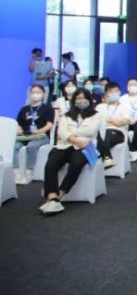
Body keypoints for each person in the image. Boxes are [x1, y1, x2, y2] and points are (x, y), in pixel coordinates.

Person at [40, 88, 100, 216]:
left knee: (76, 164)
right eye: (78, 98)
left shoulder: (96, 115)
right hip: (65, 145)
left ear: (89, 100)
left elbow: (90, 131)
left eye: (84, 98)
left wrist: (70, 133)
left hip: (85, 147)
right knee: (51, 164)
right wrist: (75, 138)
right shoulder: (67, 115)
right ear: (74, 100)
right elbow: (61, 131)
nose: (81, 100)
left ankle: (61, 194)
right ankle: (52, 197)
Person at [14, 85, 54, 184]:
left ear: (43, 94)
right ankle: (16, 174)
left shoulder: (48, 108)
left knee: (31, 147)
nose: (35, 94)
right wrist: (19, 130)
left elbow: (49, 125)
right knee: (14, 147)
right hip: (25, 136)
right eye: (33, 92)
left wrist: (39, 131)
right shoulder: (24, 109)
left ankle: (29, 173)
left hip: (41, 136)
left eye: (38, 92)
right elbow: (18, 123)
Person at [95, 82, 130, 168]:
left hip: (118, 133)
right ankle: (107, 158)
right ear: (106, 94)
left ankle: (104, 157)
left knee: (106, 134)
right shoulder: (100, 107)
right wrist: (115, 121)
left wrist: (109, 120)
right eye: (110, 91)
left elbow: (123, 122)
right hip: (100, 132)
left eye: (116, 91)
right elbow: (95, 122)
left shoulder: (125, 107)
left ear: (120, 92)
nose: (114, 93)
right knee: (99, 134)